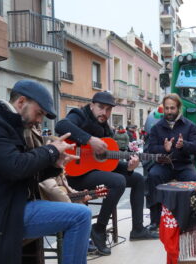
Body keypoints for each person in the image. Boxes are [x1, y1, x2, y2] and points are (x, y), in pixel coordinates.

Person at [0, 80, 92, 264]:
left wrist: (54, 164)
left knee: (80, 214)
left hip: (13, 206)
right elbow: (16, 167)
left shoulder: (11, 126)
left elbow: (25, 173)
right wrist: (51, 150)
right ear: (21, 102)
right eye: (39, 113)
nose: (39, 120)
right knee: (80, 216)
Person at [55, 91, 158, 256]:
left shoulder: (107, 131)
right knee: (117, 182)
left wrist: (130, 167)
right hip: (74, 174)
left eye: (108, 109)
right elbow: (60, 126)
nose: (104, 113)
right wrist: (89, 140)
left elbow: (111, 163)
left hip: (94, 172)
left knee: (138, 178)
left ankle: (138, 229)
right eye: (101, 107)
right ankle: (99, 229)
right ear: (92, 106)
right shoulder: (79, 115)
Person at [146, 93, 196, 231]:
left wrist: (184, 145)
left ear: (178, 108)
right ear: (163, 109)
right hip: (163, 165)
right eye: (167, 108)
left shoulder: (190, 126)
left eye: (172, 108)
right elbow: (150, 149)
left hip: (183, 164)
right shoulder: (156, 128)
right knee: (153, 176)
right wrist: (164, 149)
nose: (169, 111)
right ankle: (155, 219)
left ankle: (194, 218)